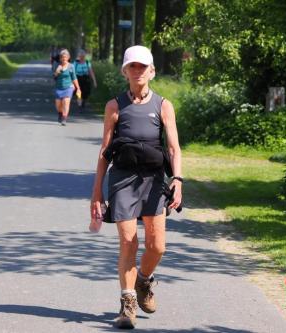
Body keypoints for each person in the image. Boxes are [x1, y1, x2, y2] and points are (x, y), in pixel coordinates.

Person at [90, 45, 183, 329]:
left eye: (143, 66)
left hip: (154, 181)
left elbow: (173, 147)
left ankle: (144, 279)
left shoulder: (164, 105)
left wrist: (177, 179)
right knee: (129, 242)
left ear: (152, 71)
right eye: (133, 66)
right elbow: (105, 152)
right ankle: (127, 304)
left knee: (157, 247)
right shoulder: (114, 106)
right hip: (123, 180)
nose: (138, 70)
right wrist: (97, 193)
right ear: (125, 71)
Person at [52, 49, 81, 125]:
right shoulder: (57, 66)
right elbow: (54, 78)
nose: (64, 59)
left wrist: (78, 88)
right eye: (62, 57)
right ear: (60, 58)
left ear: (68, 57)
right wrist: (57, 72)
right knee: (58, 104)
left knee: (66, 102)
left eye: (65, 57)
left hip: (68, 87)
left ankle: (64, 119)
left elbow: (74, 77)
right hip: (59, 88)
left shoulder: (71, 66)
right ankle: (60, 113)